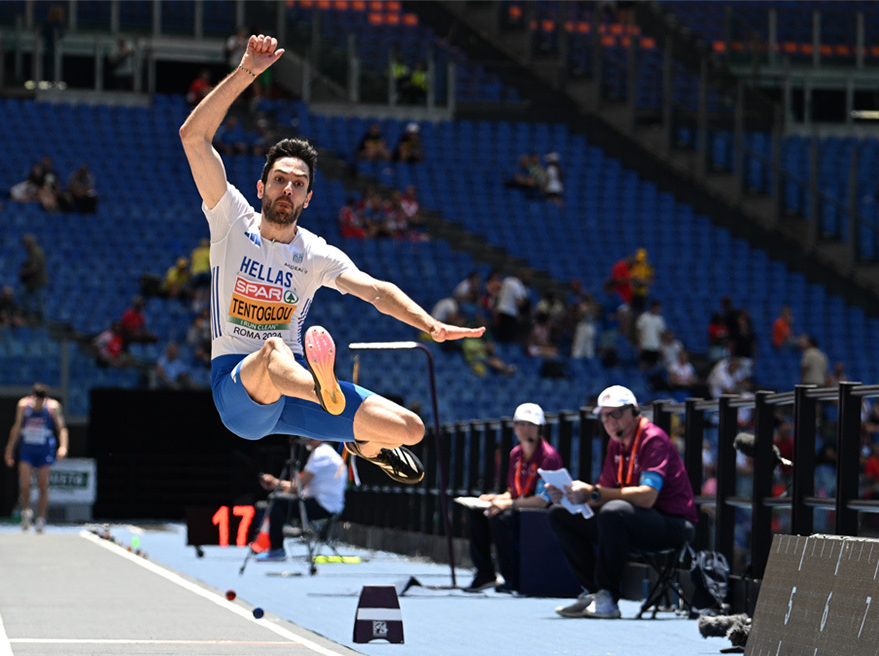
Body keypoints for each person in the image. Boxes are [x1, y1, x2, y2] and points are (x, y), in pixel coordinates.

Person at [178, 33, 484, 484]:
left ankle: (364, 445)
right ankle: (325, 389)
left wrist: (430, 325)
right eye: (279, 179)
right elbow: (194, 137)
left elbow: (377, 291)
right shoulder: (230, 220)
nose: (288, 188)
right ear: (261, 188)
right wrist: (248, 72)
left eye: (297, 183)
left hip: (301, 395)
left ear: (308, 197)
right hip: (240, 393)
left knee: (412, 429)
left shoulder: (315, 252)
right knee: (274, 349)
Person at [546, 385, 697, 619]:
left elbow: (647, 497)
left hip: (671, 524)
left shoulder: (652, 439)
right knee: (559, 513)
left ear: (634, 411)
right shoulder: (615, 443)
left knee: (613, 511)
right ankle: (594, 592)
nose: (609, 420)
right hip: (629, 520)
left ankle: (609, 596)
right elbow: (602, 493)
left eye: (616, 413)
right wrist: (572, 496)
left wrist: (593, 492)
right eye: (604, 415)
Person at [464, 403, 562, 592]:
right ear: (515, 427)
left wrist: (507, 504)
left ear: (540, 428)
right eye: (521, 424)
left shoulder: (549, 457)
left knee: (500, 517)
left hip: (537, 514)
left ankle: (511, 576)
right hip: (519, 506)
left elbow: (542, 500)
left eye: (531, 425)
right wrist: (496, 498)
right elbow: (513, 490)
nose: (526, 430)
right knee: (478, 511)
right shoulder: (515, 454)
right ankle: (485, 573)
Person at [255, 437, 347, 561]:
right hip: (326, 504)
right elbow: (297, 487)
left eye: (312, 436)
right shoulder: (326, 452)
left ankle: (277, 549)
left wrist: (275, 482)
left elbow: (297, 487)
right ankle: (275, 548)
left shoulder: (321, 453)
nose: (307, 438)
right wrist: (280, 485)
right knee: (281, 499)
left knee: (277, 500)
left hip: (323, 506)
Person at [3, 383, 68, 533]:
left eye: (41, 400)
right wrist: (9, 450)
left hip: (44, 450)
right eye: (36, 399)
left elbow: (62, 428)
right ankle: (26, 511)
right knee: (25, 484)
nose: (38, 403)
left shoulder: (53, 407)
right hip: (28, 450)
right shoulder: (23, 405)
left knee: (43, 484)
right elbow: (17, 427)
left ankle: (41, 519)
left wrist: (63, 446)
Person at [19, 234, 49, 323]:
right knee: (23, 294)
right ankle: (31, 314)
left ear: (29, 243)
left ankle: (44, 321)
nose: (24, 245)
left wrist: (24, 272)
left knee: (40, 302)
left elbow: (34, 268)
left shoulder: (35, 252)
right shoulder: (33, 251)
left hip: (37, 282)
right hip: (32, 282)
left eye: (25, 243)